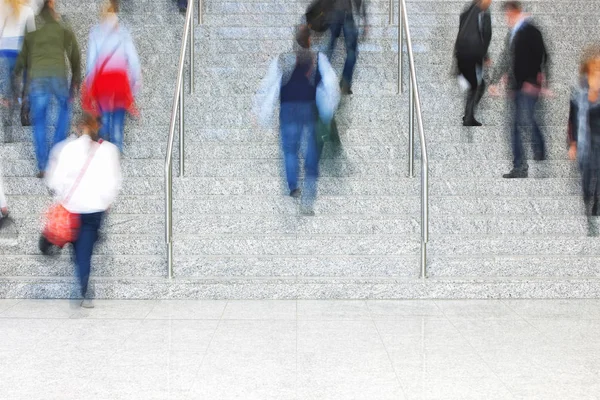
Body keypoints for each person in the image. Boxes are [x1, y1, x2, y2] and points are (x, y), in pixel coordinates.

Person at [254, 25, 340, 215]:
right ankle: (308, 196)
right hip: (307, 109)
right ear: (310, 40)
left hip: (287, 109)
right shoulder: (318, 58)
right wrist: (328, 109)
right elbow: (331, 84)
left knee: (290, 150)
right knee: (310, 152)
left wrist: (262, 112)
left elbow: (269, 85)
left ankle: (293, 186)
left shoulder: (283, 59)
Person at [45, 114, 121, 308]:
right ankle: (85, 288)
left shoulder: (66, 148)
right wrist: (106, 200)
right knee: (84, 250)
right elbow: (114, 182)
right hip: (95, 209)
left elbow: (54, 180)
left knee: (80, 250)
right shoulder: (109, 150)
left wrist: (62, 197)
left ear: (79, 127)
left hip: (72, 209)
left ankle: (84, 285)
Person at [13, 0, 81, 178]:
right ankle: (56, 160)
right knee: (65, 109)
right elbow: (74, 51)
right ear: (51, 4)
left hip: (38, 78)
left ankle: (43, 166)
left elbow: (23, 53)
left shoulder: (32, 24)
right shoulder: (61, 22)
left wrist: (17, 72)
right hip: (57, 75)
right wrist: (76, 76)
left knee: (40, 120)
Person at [489, 1, 549, 179]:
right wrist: (495, 80)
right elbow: (506, 57)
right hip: (515, 87)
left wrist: (538, 80)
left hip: (529, 86)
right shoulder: (512, 34)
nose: (507, 19)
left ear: (515, 12)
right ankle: (520, 166)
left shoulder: (531, 31)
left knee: (527, 121)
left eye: (508, 15)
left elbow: (543, 55)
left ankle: (539, 149)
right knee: (515, 126)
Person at [83, 0, 141, 153]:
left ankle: (102, 152)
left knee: (104, 120)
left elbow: (91, 62)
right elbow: (133, 59)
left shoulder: (96, 31)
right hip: (120, 83)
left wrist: (89, 84)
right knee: (118, 123)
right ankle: (116, 152)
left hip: (103, 83)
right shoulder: (123, 32)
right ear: (117, 11)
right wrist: (135, 81)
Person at [568, 46, 600, 216]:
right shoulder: (578, 93)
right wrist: (572, 144)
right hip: (585, 140)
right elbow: (572, 120)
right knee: (587, 175)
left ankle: (598, 201)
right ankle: (588, 196)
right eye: (595, 67)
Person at [454, 0, 492, 127]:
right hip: (471, 55)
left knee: (477, 85)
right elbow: (479, 36)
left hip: (467, 54)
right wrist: (483, 55)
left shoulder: (469, 12)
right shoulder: (480, 14)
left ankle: (468, 116)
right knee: (476, 85)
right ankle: (468, 117)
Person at [0, 0, 35, 134]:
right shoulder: (28, 10)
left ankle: (8, 114)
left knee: (10, 82)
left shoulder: (3, 7)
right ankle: (25, 112)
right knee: (28, 80)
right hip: (22, 49)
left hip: (6, 50)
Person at [326, 0, 367, 95]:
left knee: (329, 49)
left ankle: (320, 80)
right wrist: (364, 18)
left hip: (333, 14)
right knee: (351, 52)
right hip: (345, 14)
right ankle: (345, 83)